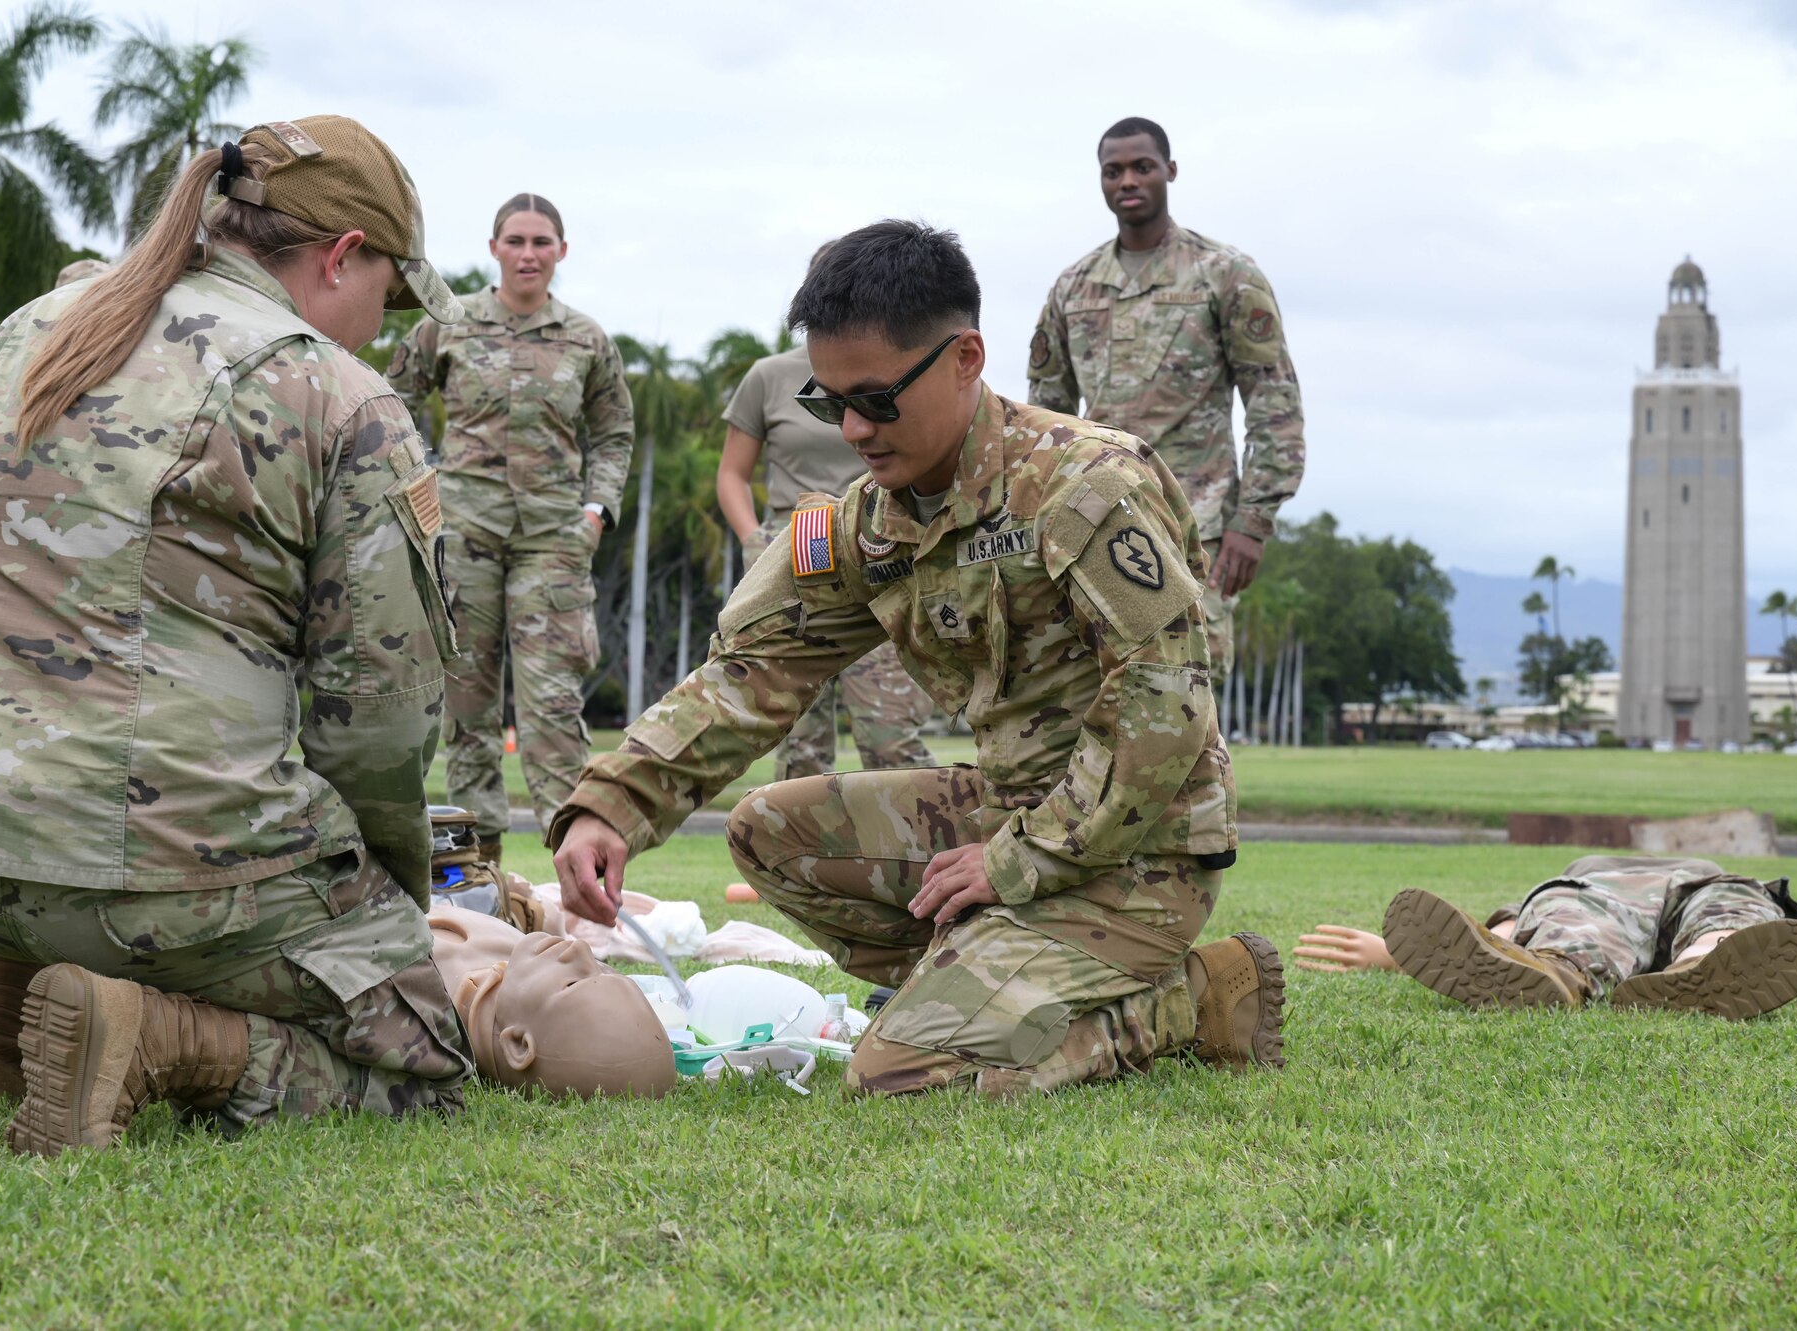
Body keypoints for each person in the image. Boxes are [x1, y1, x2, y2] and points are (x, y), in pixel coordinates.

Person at [0, 116, 474, 1154]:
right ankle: (155, 1037)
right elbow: (378, 719)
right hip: (154, 870)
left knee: (31, 752)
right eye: (385, 296)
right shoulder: (337, 394)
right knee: (419, 1057)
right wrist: (384, 911)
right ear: (343, 254)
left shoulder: (31, 330)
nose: (381, 328)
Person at [550, 220, 1283, 1099]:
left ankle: (1185, 1000)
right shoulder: (867, 522)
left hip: (1136, 855)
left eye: (877, 399)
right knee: (770, 832)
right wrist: (612, 803)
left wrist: (1019, 861)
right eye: (830, 403)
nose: (854, 428)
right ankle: (980, 977)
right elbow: (754, 670)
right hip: (1008, 816)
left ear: (965, 358)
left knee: (903, 1073)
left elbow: (1163, 713)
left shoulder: (1086, 489)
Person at [387, 193, 634, 853]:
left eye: (541, 242)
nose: (529, 254)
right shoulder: (451, 322)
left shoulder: (586, 339)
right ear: (494, 248)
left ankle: (575, 870)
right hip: (465, 533)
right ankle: (477, 877)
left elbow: (615, 433)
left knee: (553, 709)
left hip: (553, 540)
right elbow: (393, 400)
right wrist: (423, 483)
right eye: (517, 241)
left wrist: (594, 511)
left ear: (561, 251)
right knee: (468, 711)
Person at [1027, 115, 1305, 683]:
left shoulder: (1224, 275)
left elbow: (1274, 405)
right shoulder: (1073, 287)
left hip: (1194, 523)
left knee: (1188, 688)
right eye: (1113, 171)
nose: (1127, 180)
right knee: (1094, 687)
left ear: (1169, 172)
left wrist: (1252, 523)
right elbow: (1046, 415)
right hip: (1093, 518)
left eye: (1142, 167)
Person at [717, 279, 934, 781]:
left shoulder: (897, 370)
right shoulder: (768, 376)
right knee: (799, 748)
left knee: (891, 738)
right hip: (794, 554)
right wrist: (754, 539)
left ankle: (931, 855)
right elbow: (732, 473)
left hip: (880, 551)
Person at [1293, 856, 1797, 1018]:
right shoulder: (1720, 879)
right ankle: (1702, 962)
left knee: (1570, 926)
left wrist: (1389, 954)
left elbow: (1500, 934)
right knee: (1727, 920)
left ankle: (1557, 968)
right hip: (1619, 887)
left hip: (1596, 888)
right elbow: (1494, 938)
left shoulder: (1577, 883)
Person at [427, 905, 676, 1098]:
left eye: (572, 984)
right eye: (605, 970)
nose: (581, 949)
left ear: (518, 1044)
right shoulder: (520, 962)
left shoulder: (421, 1000)